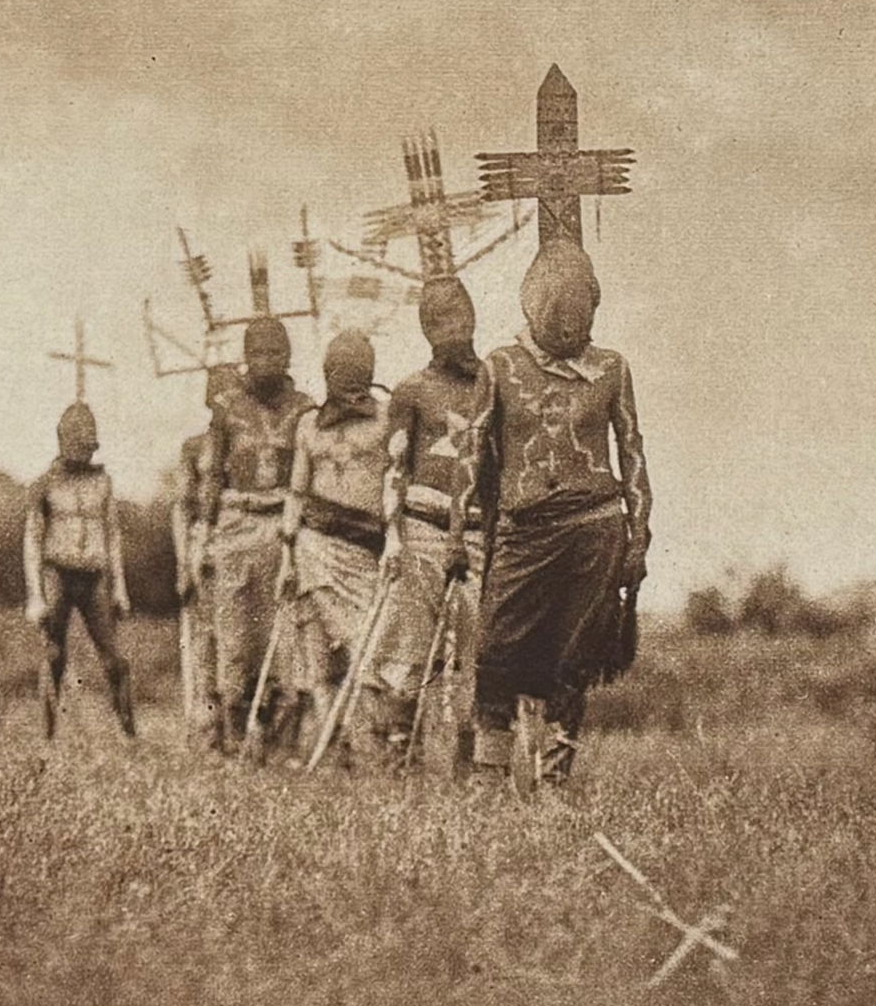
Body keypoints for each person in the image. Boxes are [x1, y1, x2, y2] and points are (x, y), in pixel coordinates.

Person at [448, 238, 652, 786]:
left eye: (579, 316)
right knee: (496, 650)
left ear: (595, 307)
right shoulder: (501, 366)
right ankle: (490, 778)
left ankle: (555, 781)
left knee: (572, 659)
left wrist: (638, 539)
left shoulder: (611, 368)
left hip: (594, 529)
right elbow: (470, 453)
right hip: (522, 532)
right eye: (555, 317)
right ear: (529, 308)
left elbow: (632, 452)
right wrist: (455, 532)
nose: (567, 331)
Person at [373, 277, 487, 770]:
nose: (453, 330)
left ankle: (468, 760)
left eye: (461, 318)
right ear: (425, 329)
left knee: (477, 651)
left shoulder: (493, 384)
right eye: (441, 322)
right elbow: (395, 468)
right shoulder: (411, 391)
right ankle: (402, 754)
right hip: (419, 530)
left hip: (479, 533)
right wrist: (392, 537)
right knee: (408, 648)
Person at [193, 318, 314, 753]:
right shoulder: (225, 408)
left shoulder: (304, 407)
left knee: (284, 643)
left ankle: (280, 743)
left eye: (276, 353)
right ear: (245, 358)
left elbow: (310, 475)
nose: (267, 362)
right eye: (258, 353)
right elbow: (211, 475)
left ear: (288, 358)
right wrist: (204, 534)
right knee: (235, 641)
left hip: (285, 528)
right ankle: (234, 737)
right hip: (235, 527)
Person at [277, 330, 389, 762]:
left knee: (368, 646)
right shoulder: (309, 424)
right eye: (340, 369)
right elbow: (297, 492)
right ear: (327, 373)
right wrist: (287, 557)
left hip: (365, 550)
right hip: (313, 546)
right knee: (317, 652)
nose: (349, 377)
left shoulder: (385, 418)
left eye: (358, 368)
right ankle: (333, 745)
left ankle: (375, 744)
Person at [24, 401, 136, 739]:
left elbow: (112, 534)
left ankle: (129, 734)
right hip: (57, 573)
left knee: (115, 660)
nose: (83, 451)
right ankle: (46, 736)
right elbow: (31, 540)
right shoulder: (43, 485)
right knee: (54, 655)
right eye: (77, 443)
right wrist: (35, 596)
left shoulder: (103, 483)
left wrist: (120, 588)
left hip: (94, 577)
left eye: (88, 445)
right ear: (62, 441)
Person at [171, 364, 242, 750]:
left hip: (242, 544)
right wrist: (184, 563)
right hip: (205, 549)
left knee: (239, 640)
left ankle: (241, 731)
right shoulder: (195, 447)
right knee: (206, 642)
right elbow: (182, 507)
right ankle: (208, 733)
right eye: (218, 396)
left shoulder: (249, 445)